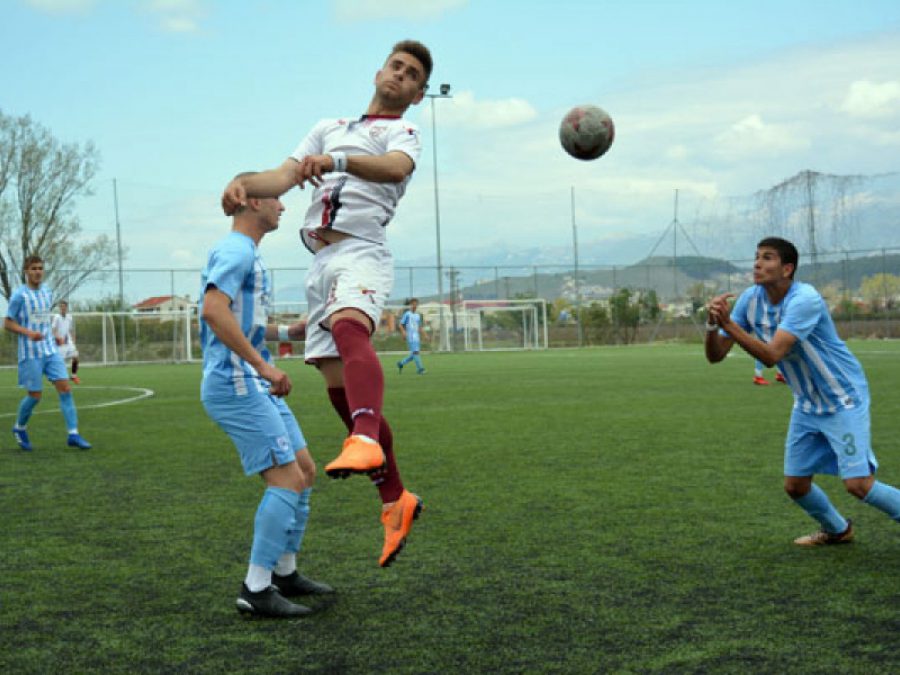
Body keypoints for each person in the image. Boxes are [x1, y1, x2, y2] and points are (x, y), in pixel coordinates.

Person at [221, 40, 430, 568]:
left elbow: (395, 169)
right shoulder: (326, 125)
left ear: (418, 94)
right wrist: (243, 183)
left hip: (362, 250)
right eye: (396, 66)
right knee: (337, 385)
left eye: (411, 75)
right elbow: (283, 177)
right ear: (379, 70)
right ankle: (395, 498)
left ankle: (364, 437)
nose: (400, 76)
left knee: (349, 330)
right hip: (321, 262)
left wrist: (335, 160)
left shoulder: (402, 133)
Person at [705, 237, 900, 545]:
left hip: (842, 398)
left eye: (767, 258)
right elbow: (715, 356)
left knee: (858, 484)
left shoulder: (804, 299)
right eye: (756, 257)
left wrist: (728, 325)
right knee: (796, 485)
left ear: (787, 269)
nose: (757, 263)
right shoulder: (750, 299)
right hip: (807, 404)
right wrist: (712, 325)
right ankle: (838, 530)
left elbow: (771, 356)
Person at [200, 184, 332, 618]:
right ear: (253, 201)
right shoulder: (236, 251)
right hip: (237, 384)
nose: (283, 204)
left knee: (305, 471)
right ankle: (256, 588)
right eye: (276, 196)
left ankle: (284, 573)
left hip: (251, 381)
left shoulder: (247, 252)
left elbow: (238, 320)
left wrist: (282, 335)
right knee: (286, 479)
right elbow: (214, 312)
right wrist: (264, 366)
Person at [4, 255, 92, 451]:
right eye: (34, 268)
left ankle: (73, 434)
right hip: (30, 353)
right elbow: (7, 323)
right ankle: (19, 427)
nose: (38, 271)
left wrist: (54, 335)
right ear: (26, 271)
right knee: (35, 396)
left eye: (40, 268)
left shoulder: (47, 292)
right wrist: (28, 333)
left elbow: (43, 320)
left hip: (50, 350)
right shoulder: (19, 296)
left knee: (66, 389)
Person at [52, 300, 81, 384]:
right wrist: (57, 337)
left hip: (68, 342)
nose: (62, 308)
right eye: (61, 306)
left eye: (64, 306)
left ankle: (73, 376)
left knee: (76, 357)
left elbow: (71, 329)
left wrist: (73, 339)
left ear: (66, 307)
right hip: (60, 343)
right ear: (59, 308)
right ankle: (55, 378)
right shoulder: (56, 317)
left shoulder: (69, 317)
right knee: (60, 362)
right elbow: (53, 330)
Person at [397, 297, 426, 374]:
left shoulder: (418, 316)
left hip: (417, 337)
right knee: (416, 353)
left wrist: (425, 335)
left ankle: (401, 363)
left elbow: (419, 327)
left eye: (416, 304)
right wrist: (403, 332)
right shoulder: (407, 314)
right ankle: (420, 369)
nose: (414, 306)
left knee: (414, 354)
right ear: (410, 305)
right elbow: (400, 325)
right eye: (413, 304)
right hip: (410, 336)